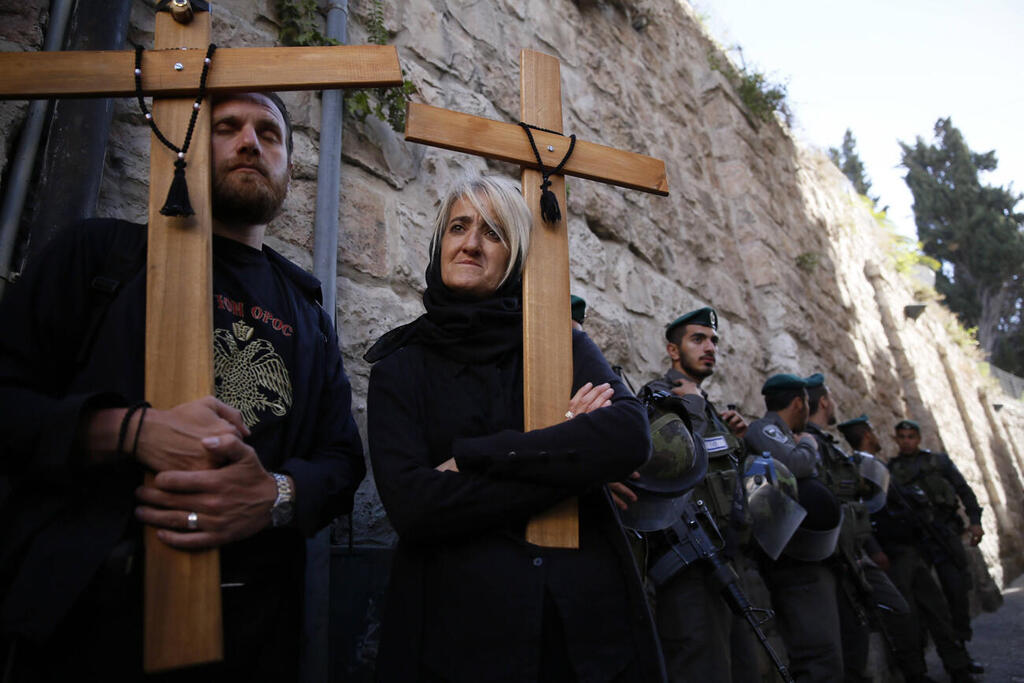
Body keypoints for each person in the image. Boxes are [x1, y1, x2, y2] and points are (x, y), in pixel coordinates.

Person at [0, 92, 366, 681]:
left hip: (251, 634)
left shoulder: (307, 317)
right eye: (227, 126)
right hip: (83, 623)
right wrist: (126, 431)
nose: (250, 142)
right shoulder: (100, 257)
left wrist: (276, 495)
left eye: (269, 134)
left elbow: (342, 460)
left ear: (289, 173)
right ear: (187, 146)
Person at [364, 174, 664, 682]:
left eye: (495, 233)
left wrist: (475, 457)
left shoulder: (559, 342)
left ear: (515, 257)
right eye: (459, 227)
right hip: (454, 633)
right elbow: (415, 506)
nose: (472, 243)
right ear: (440, 244)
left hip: (580, 634)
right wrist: (575, 464)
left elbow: (628, 437)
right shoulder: (400, 366)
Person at [614, 306, 763, 683]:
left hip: (732, 559)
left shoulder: (712, 410)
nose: (709, 346)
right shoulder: (657, 399)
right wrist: (693, 407)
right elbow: (669, 464)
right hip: (689, 566)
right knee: (702, 668)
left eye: (713, 340)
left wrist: (739, 440)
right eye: (698, 339)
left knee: (750, 667)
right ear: (673, 351)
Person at [804, 381, 908, 682]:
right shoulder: (810, 444)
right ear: (824, 402)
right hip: (838, 556)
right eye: (831, 398)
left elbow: (854, 501)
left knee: (868, 627)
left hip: (854, 551)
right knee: (848, 641)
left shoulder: (827, 445)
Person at [744, 373, 843, 681]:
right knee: (816, 653)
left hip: (814, 553)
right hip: (793, 559)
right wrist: (809, 445)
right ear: (799, 402)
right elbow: (796, 465)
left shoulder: (786, 433)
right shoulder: (767, 429)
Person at [867, 420, 976, 683]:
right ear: (896, 439)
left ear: (919, 438)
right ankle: (939, 661)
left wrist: (975, 520)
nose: (906, 441)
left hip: (943, 535)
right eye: (901, 437)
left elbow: (962, 489)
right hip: (918, 544)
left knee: (956, 593)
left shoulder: (938, 462)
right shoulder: (891, 470)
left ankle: (960, 655)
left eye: (911, 436)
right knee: (927, 603)